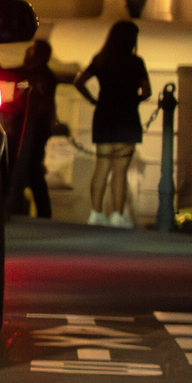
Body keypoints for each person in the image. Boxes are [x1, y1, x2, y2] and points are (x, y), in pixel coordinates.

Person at [75, 19, 151, 228]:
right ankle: (118, 215)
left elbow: (79, 82)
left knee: (101, 166)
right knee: (120, 170)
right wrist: (132, 99)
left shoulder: (101, 59)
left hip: (104, 116)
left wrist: (93, 100)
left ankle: (96, 213)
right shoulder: (136, 62)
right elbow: (147, 91)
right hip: (127, 117)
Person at [6, 40, 59, 218]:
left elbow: (46, 104)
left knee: (32, 166)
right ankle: (36, 208)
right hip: (26, 124)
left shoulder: (42, 75)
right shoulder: (32, 72)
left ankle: (38, 209)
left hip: (34, 125)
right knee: (27, 165)